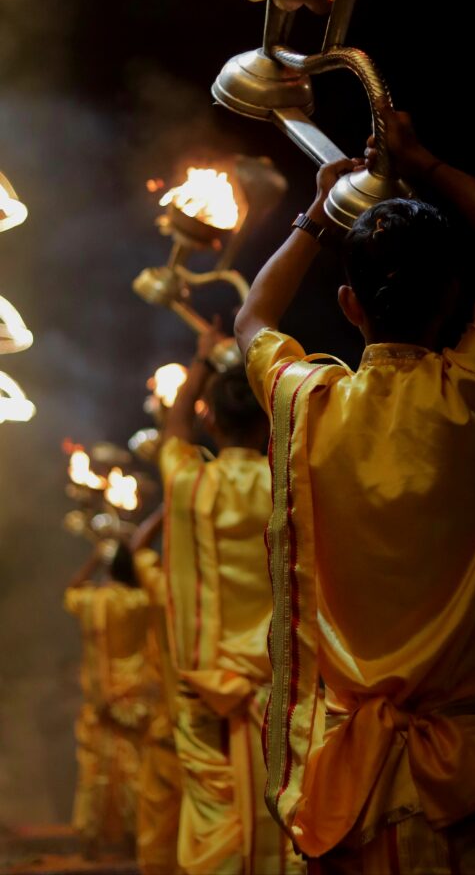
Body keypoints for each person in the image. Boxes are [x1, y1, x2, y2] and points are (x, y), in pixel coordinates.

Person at [235, 104, 475, 873]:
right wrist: (423, 162)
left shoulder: (308, 402)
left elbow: (251, 318)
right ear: (458, 297)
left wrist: (316, 214)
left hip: (352, 793)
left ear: (350, 305)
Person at [159, 329, 302, 875]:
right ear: (268, 423)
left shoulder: (190, 484)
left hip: (206, 693)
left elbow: (174, 430)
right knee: (290, 815)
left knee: (211, 823)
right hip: (284, 692)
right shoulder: (292, 485)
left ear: (211, 422)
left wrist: (200, 359)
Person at [64, 538, 154, 860]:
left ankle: (91, 843)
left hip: (101, 698)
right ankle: (135, 841)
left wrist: (93, 558)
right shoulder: (142, 600)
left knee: (96, 769)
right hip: (134, 696)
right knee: (135, 768)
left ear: (108, 568)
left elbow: (71, 589)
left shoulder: (95, 602)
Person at [130, 504, 184, 875]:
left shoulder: (166, 592)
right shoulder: (223, 587)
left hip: (174, 725)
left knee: (161, 820)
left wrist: (168, 505)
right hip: (232, 721)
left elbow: (137, 548)